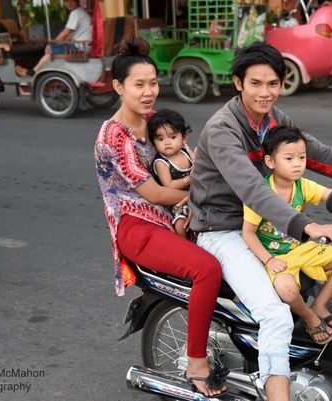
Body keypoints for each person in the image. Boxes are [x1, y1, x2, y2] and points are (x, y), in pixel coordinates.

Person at [189, 42, 332, 401]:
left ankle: (315, 371)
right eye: (255, 83)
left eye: (273, 83)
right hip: (224, 230)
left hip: (270, 227)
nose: (265, 92)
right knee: (275, 314)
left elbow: (317, 154)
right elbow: (253, 189)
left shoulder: (273, 121)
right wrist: (307, 226)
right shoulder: (223, 129)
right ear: (238, 83)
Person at [94, 37, 226, 397]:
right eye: (139, 84)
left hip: (170, 216)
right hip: (138, 227)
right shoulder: (114, 137)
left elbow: (185, 156)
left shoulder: (154, 122)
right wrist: (208, 192)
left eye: (153, 82)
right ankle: (197, 360)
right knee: (207, 269)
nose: (149, 91)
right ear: (118, 86)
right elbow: (154, 194)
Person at [242, 126, 332, 345]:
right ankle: (310, 318)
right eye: (289, 158)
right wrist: (269, 260)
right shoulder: (261, 193)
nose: (298, 163)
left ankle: (319, 305)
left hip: (300, 250)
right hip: (276, 258)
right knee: (287, 290)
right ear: (270, 162)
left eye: (302, 157)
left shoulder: (301, 185)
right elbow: (248, 233)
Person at [147, 108, 194, 238]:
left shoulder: (186, 152)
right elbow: (169, 185)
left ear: (184, 137)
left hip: (193, 194)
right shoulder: (161, 163)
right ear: (154, 142)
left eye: (173, 137)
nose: (167, 142)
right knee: (180, 220)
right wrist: (189, 178)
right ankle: (185, 243)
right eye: (160, 139)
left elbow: (199, 166)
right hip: (175, 201)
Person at [16, 0, 91, 77]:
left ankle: (33, 72)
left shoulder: (76, 13)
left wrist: (52, 43)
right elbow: (69, 36)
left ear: (77, 2)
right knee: (54, 48)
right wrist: (59, 43)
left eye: (71, 1)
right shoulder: (81, 12)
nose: (69, 4)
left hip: (79, 48)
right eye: (67, 1)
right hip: (82, 46)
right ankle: (42, 72)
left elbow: (66, 31)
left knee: (50, 51)